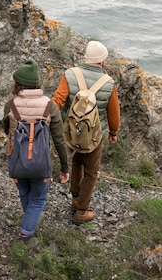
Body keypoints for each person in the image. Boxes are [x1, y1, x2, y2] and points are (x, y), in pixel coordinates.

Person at [51, 41, 120, 225]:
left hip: (72, 132)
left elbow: (57, 101)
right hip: (95, 137)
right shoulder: (108, 83)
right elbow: (113, 113)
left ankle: (75, 199)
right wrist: (113, 132)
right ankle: (82, 210)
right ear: (102, 61)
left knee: (76, 161)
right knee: (91, 172)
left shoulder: (70, 75)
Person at [3, 59, 70, 245]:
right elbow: (59, 140)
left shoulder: (11, 105)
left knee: (25, 193)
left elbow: (6, 129)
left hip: (16, 160)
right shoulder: (50, 106)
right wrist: (64, 167)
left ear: (17, 84)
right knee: (39, 199)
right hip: (40, 162)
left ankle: (29, 220)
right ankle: (26, 234)